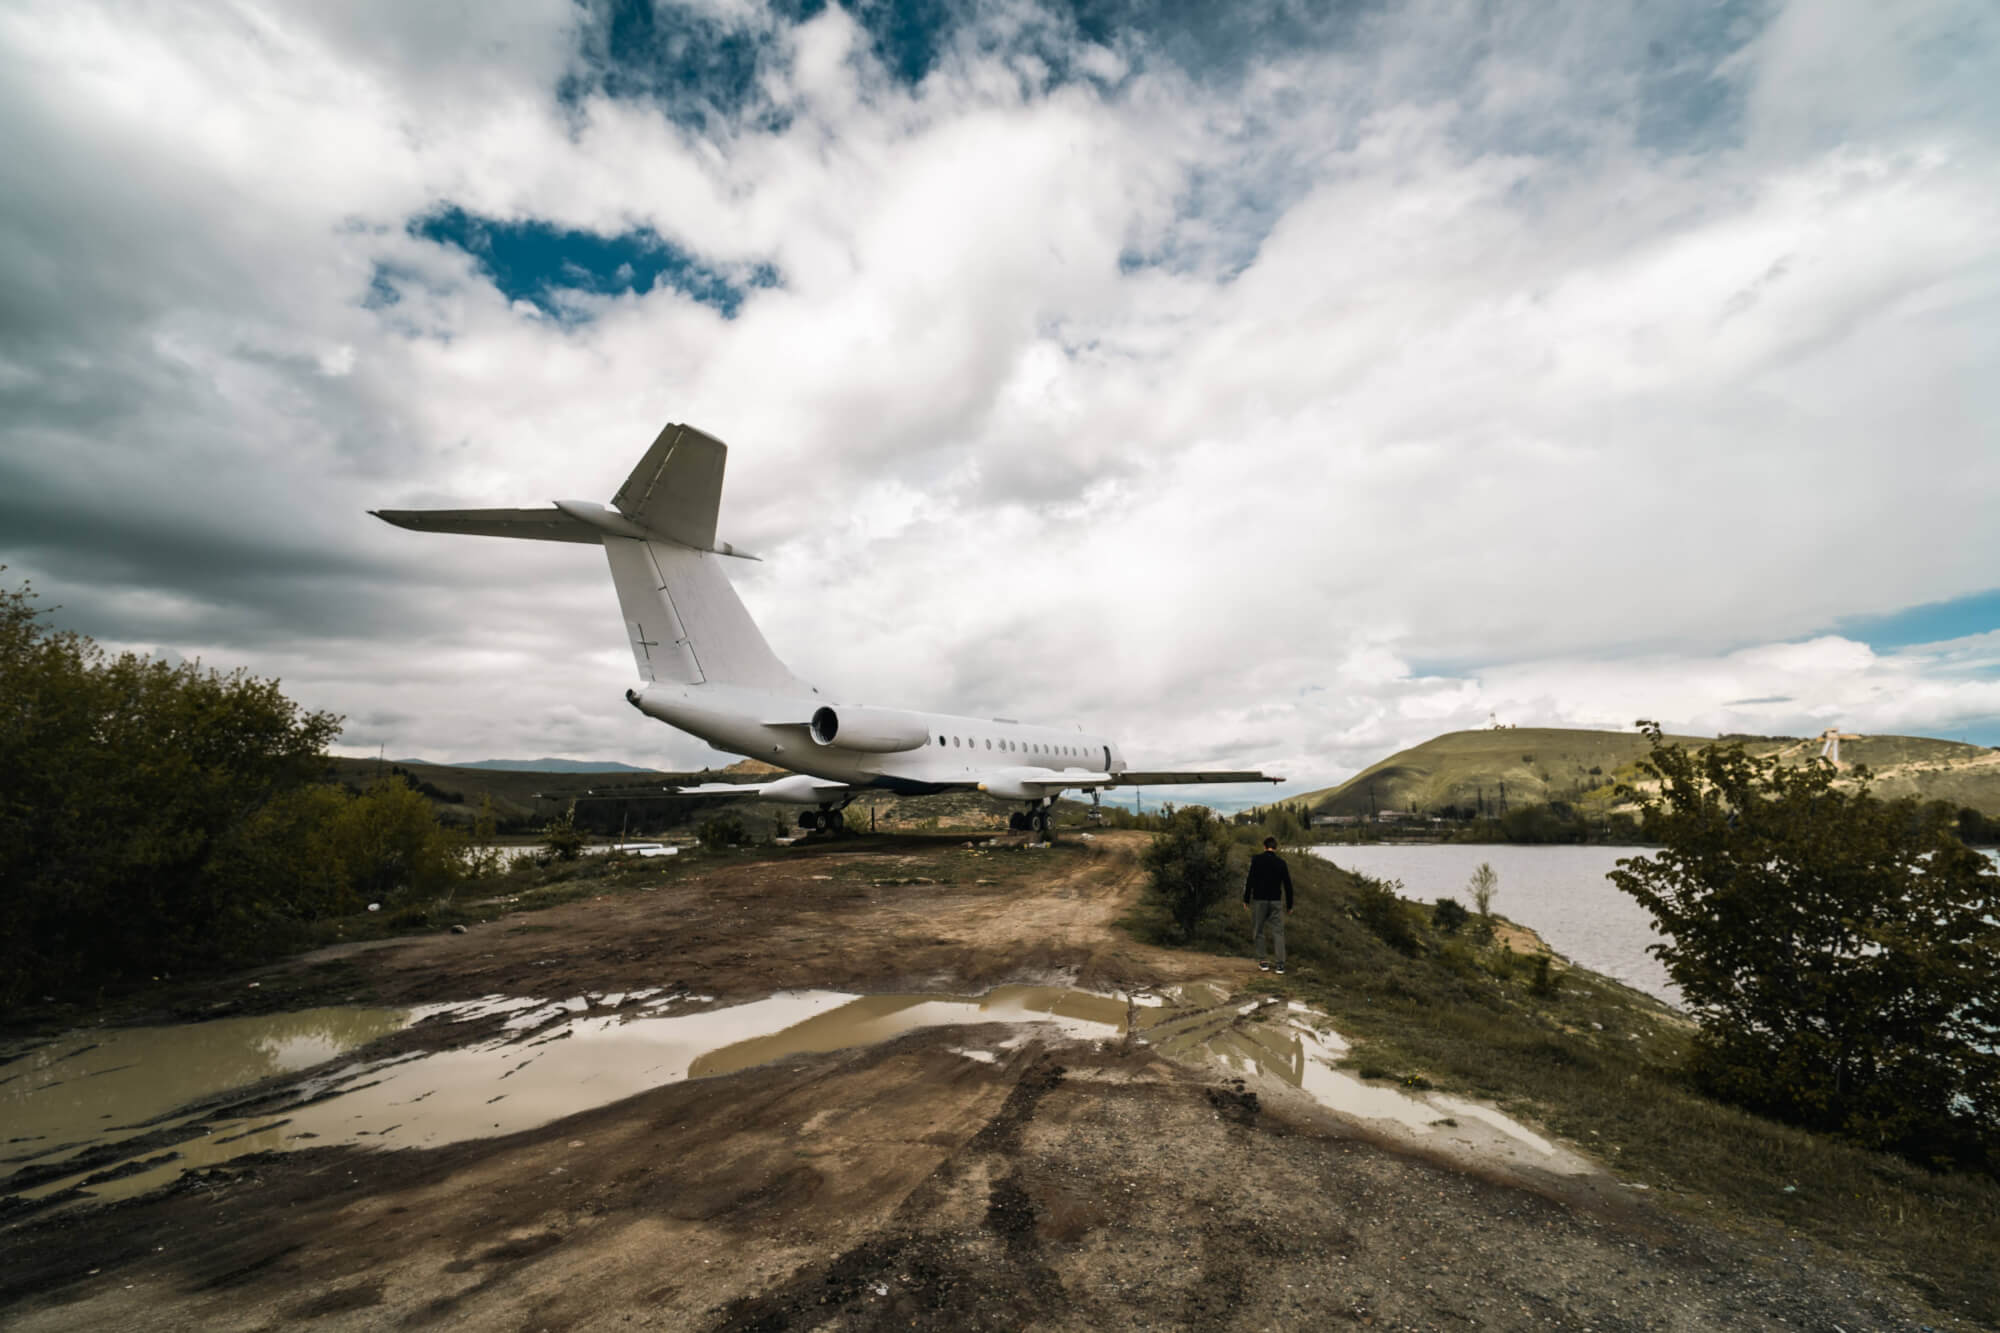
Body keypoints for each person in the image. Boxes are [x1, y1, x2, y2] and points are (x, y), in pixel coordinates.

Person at [1243, 835, 1294, 973]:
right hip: (1276, 901)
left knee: (1258, 930)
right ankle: (1280, 965)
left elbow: (1250, 880)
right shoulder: (1281, 863)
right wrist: (1290, 905)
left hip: (1259, 900)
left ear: (1264, 846)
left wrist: (1246, 899)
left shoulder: (1257, 860)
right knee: (1278, 932)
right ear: (1275, 848)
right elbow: (1288, 885)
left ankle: (1263, 962)